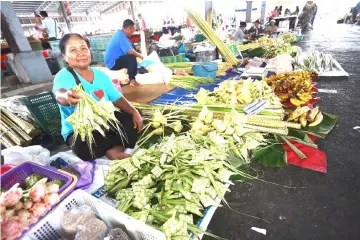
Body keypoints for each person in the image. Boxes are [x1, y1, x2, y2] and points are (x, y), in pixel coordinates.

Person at [53, 33, 143, 161]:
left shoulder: (100, 75)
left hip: (105, 123)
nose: (81, 53)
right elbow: (59, 94)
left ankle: (115, 148)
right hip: (81, 130)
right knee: (83, 146)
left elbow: (116, 98)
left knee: (133, 116)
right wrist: (66, 96)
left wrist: (134, 111)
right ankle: (113, 144)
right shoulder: (63, 76)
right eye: (73, 50)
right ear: (64, 56)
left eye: (83, 48)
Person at [104, 19, 143, 87]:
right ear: (128, 29)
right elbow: (130, 51)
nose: (133, 33)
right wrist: (140, 55)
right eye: (133, 31)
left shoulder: (121, 34)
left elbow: (131, 48)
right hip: (112, 63)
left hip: (117, 59)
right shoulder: (120, 36)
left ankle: (132, 74)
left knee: (132, 55)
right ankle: (132, 80)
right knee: (131, 58)